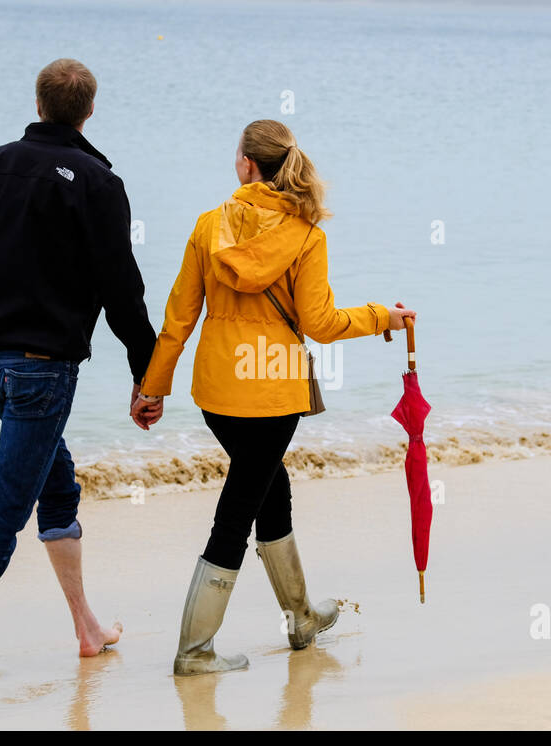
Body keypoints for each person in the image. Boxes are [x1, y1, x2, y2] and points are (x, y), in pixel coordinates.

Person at [131, 119, 416, 676]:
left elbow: (178, 319)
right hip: (274, 392)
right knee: (238, 511)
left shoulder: (209, 227)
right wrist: (386, 316)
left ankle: (301, 616)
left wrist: (153, 388)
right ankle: (194, 650)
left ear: (246, 164)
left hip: (217, 392)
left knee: (269, 489)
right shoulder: (307, 235)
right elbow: (322, 323)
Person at [0, 59, 158, 687]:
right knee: (7, 504)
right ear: (89, 111)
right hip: (43, 372)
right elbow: (121, 289)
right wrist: (147, 374)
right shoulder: (100, 184)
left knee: (57, 487)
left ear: (39, 103)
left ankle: (86, 628)